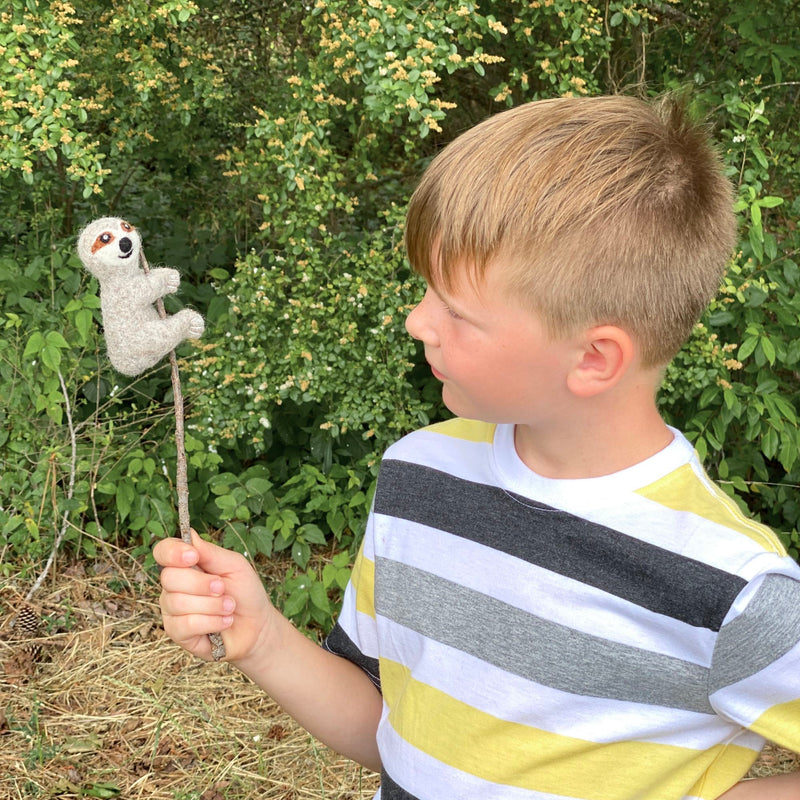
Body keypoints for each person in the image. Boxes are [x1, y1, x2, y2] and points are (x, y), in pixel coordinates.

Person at [155, 93, 800, 799]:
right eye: (426, 291)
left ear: (593, 360)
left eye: (457, 312)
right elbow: (389, 731)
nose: (417, 320)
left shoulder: (731, 588)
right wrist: (264, 639)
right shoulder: (421, 474)